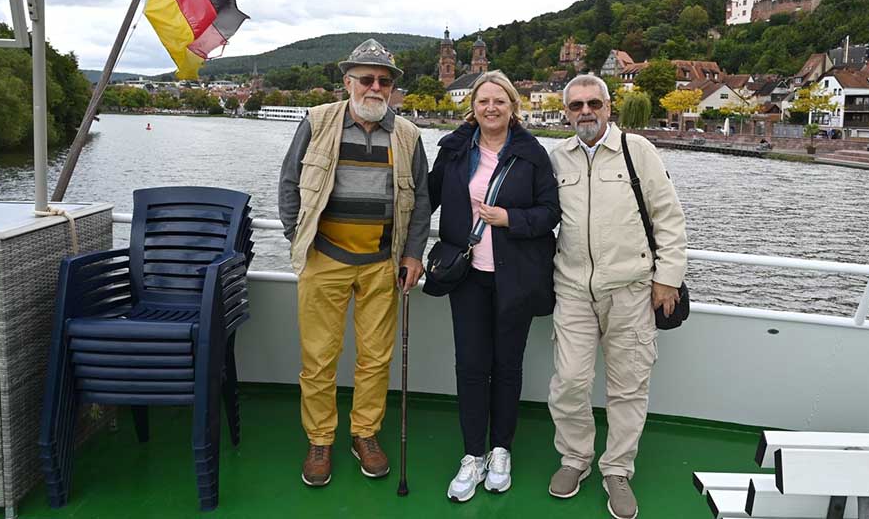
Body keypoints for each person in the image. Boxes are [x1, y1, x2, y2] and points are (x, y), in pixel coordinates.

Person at [278, 38, 430, 487]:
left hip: (382, 262)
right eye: (366, 78)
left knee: (375, 358)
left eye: (384, 81)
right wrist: (297, 237)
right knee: (319, 358)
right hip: (325, 259)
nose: (375, 87)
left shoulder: (407, 135)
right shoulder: (317, 121)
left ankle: (364, 433)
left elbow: (421, 200)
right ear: (347, 82)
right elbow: (289, 183)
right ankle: (320, 439)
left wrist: (412, 253)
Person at [546, 74, 687, 519]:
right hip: (572, 289)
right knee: (569, 381)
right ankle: (575, 458)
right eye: (576, 106)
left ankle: (618, 469)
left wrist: (667, 277)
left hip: (630, 289)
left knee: (628, 387)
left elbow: (669, 216)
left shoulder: (637, 150)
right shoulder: (557, 158)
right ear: (566, 112)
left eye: (593, 104)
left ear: (609, 107)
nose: (585, 112)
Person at [426, 70, 560, 502]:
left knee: (507, 367)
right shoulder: (454, 149)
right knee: (470, 367)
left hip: (514, 276)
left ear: (513, 106)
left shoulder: (533, 153)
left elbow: (549, 212)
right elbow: (426, 197)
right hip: (467, 277)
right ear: (473, 107)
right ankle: (472, 454)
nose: (490, 107)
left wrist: (510, 220)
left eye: (499, 101)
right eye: (483, 101)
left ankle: (501, 450)